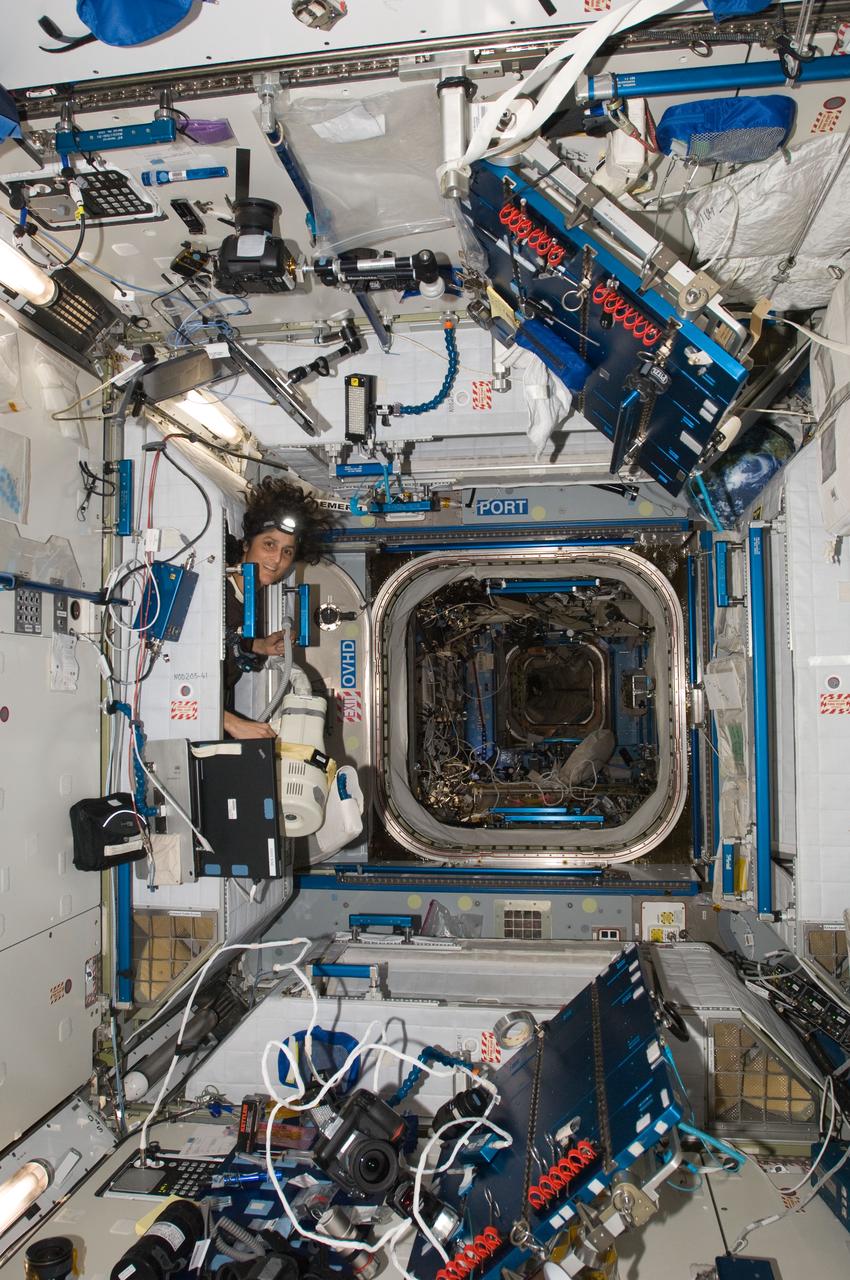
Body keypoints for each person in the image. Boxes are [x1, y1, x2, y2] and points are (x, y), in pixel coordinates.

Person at [223, 478, 335, 740]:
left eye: (287, 551)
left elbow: (229, 642)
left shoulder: (253, 600)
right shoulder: (216, 594)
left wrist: (262, 646)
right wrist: (231, 723)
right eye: (269, 545)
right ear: (247, 544)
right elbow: (182, 676)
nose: (276, 560)